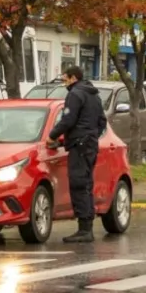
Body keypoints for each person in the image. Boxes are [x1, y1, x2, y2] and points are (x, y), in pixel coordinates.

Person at [47, 65, 106, 243]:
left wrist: (52, 136)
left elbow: (68, 120)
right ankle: (86, 226)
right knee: (86, 184)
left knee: (79, 184)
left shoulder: (75, 94)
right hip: (89, 145)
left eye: (65, 78)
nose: (64, 82)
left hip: (80, 146)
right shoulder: (93, 95)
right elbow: (101, 121)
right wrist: (90, 135)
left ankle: (84, 230)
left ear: (73, 78)